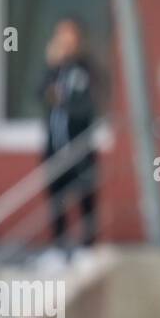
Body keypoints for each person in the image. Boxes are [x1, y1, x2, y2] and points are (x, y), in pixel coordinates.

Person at [40, 18, 101, 255]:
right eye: (60, 36)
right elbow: (41, 93)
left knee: (85, 195)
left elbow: (86, 104)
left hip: (80, 145)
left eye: (69, 36)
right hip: (55, 145)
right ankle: (59, 246)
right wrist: (52, 66)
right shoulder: (55, 69)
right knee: (57, 196)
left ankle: (88, 246)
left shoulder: (84, 68)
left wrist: (62, 100)